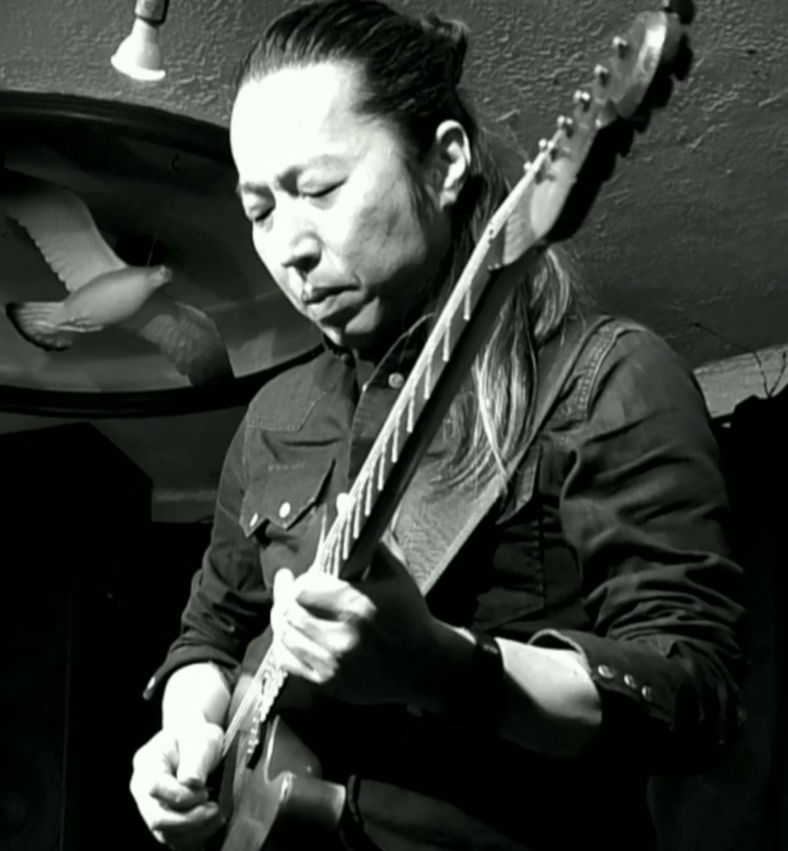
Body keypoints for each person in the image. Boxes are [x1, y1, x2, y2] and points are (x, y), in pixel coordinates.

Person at [129, 2, 745, 850]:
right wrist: (185, 732)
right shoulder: (275, 417)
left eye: (320, 189)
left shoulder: (606, 378)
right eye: (260, 209)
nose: (290, 248)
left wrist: (445, 665)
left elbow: (700, 699)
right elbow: (209, 634)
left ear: (447, 162)